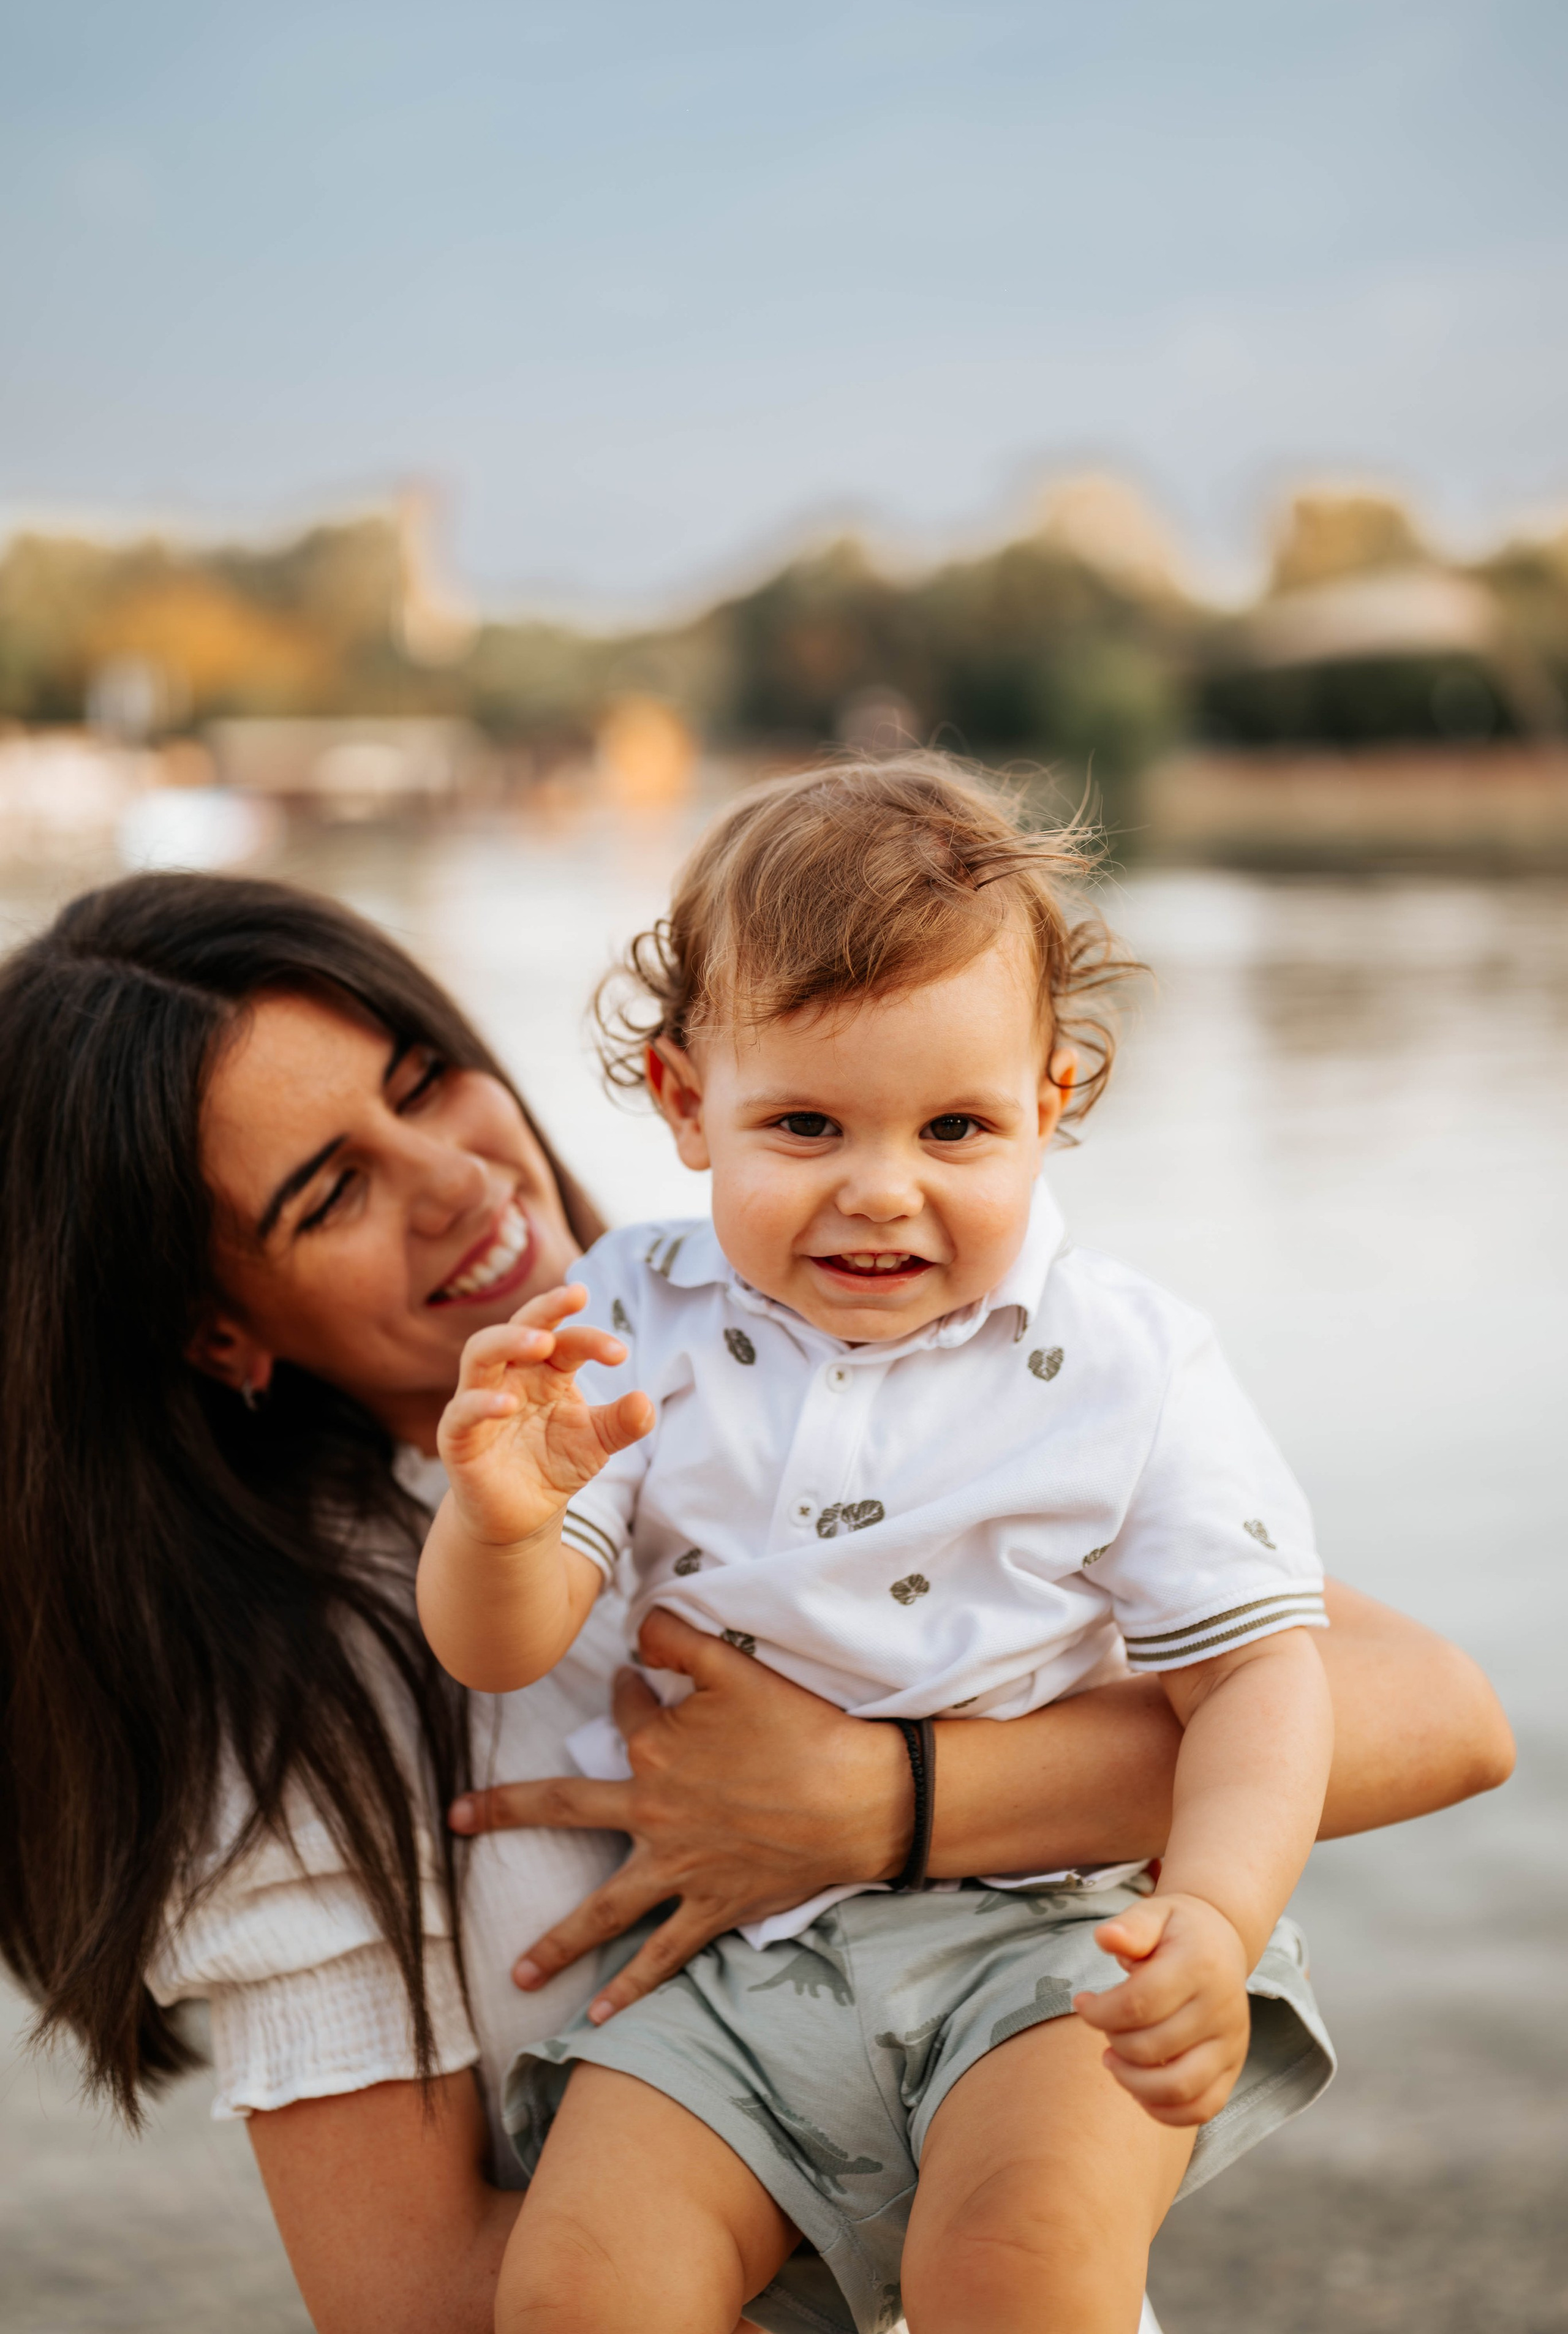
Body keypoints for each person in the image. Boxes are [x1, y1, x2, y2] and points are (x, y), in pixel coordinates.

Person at [0, 868, 1513, 2334]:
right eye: (334, 1191)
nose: (460, 1181)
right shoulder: (283, 1710)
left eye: (425, 1081)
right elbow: (422, 2305)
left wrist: (882, 1800)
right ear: (214, 1331)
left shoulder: (892, 1339)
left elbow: (1432, 1712)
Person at [420, 759, 1407, 2334]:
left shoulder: (1125, 1361)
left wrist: (1211, 1921)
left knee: (1017, 2274)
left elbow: (1258, 1679)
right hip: (732, 1968)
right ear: (684, 1102)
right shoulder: (627, 1310)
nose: (880, 1192)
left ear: (1050, 1103)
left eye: (957, 1127)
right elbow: (501, 1641)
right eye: (801, 1124)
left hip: (1050, 1927)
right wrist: (499, 1519)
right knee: (572, 2291)